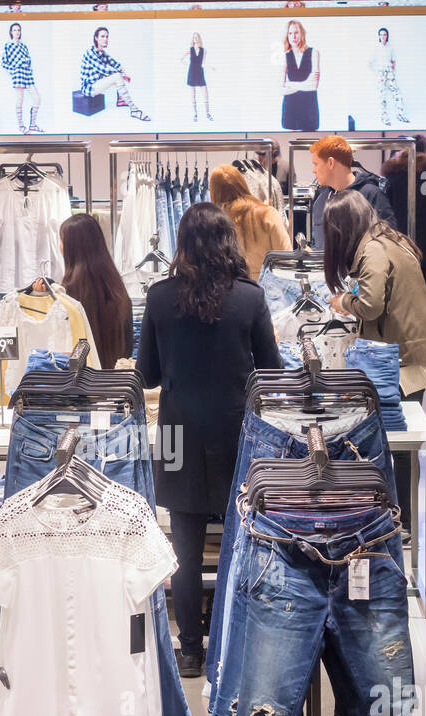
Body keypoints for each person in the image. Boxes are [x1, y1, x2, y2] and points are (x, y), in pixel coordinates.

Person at [137, 203, 281, 679]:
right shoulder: (250, 298)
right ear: (228, 242)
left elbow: (148, 375)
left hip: (178, 431)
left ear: (182, 243)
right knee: (240, 540)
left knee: (184, 545)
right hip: (236, 430)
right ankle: (230, 640)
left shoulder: (159, 298)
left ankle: (191, 650)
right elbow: (273, 373)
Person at [323, 191, 426, 534]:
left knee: (399, 440)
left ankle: (401, 523)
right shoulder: (385, 238)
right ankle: (400, 516)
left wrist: (345, 301)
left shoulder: (372, 250)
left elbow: (372, 305)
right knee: (397, 439)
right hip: (413, 349)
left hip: (407, 357)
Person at [59, 213, 132, 365]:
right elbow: (127, 347)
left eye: (62, 240)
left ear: (72, 247)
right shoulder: (116, 289)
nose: (59, 246)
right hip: (115, 381)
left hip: (79, 383)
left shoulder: (67, 294)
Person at [381, 135, 426, 279]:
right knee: (421, 283)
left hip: (399, 238)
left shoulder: (394, 173)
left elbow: (385, 206)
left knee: (399, 285)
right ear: (424, 150)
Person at [309, 134, 398, 247]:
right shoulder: (322, 198)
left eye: (316, 164)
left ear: (331, 163)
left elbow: (390, 241)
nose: (314, 170)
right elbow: (317, 243)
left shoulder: (371, 195)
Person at [208, 164, 292, 278]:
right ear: (241, 183)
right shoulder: (268, 214)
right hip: (268, 287)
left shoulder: (216, 222)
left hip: (234, 289)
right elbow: (286, 257)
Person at [80, 26, 150, 123]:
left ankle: (121, 100)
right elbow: (104, 69)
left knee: (118, 75)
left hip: (97, 83)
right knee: (117, 76)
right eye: (103, 36)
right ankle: (134, 110)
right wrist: (121, 75)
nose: (106, 39)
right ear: (96, 38)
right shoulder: (90, 53)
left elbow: (115, 64)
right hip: (89, 88)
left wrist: (124, 73)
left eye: (107, 37)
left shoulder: (102, 53)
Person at [2, 22, 43, 135]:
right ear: (11, 32)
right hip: (18, 73)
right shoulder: (8, 45)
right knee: (20, 100)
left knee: (37, 98)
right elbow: (4, 62)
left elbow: (28, 59)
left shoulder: (24, 46)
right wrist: (13, 70)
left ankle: (33, 125)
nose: (17, 32)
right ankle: (21, 126)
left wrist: (29, 69)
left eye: (18, 30)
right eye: (15, 30)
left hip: (27, 74)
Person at [280, 19, 320, 132]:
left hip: (309, 111)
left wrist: (290, 84)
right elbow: (281, 90)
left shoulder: (314, 52)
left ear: (302, 33)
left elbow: (313, 86)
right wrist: (304, 85)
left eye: (296, 32)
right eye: (290, 33)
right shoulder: (284, 56)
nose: (293, 36)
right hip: (290, 111)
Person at [369, 27, 410, 126]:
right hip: (381, 74)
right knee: (382, 96)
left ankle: (400, 115)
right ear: (379, 36)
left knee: (397, 94)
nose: (383, 36)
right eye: (381, 34)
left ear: (387, 36)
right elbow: (370, 62)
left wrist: (392, 72)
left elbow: (393, 60)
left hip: (390, 73)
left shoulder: (390, 47)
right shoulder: (376, 48)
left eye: (385, 34)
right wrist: (378, 71)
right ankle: (384, 118)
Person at [183, 32, 210, 123]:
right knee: (193, 95)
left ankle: (207, 113)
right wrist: (186, 64)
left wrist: (211, 68)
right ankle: (195, 114)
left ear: (199, 39)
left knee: (205, 94)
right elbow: (181, 58)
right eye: (194, 38)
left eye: (197, 37)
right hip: (192, 73)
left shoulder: (204, 50)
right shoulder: (190, 49)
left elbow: (203, 63)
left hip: (200, 73)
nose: (195, 39)